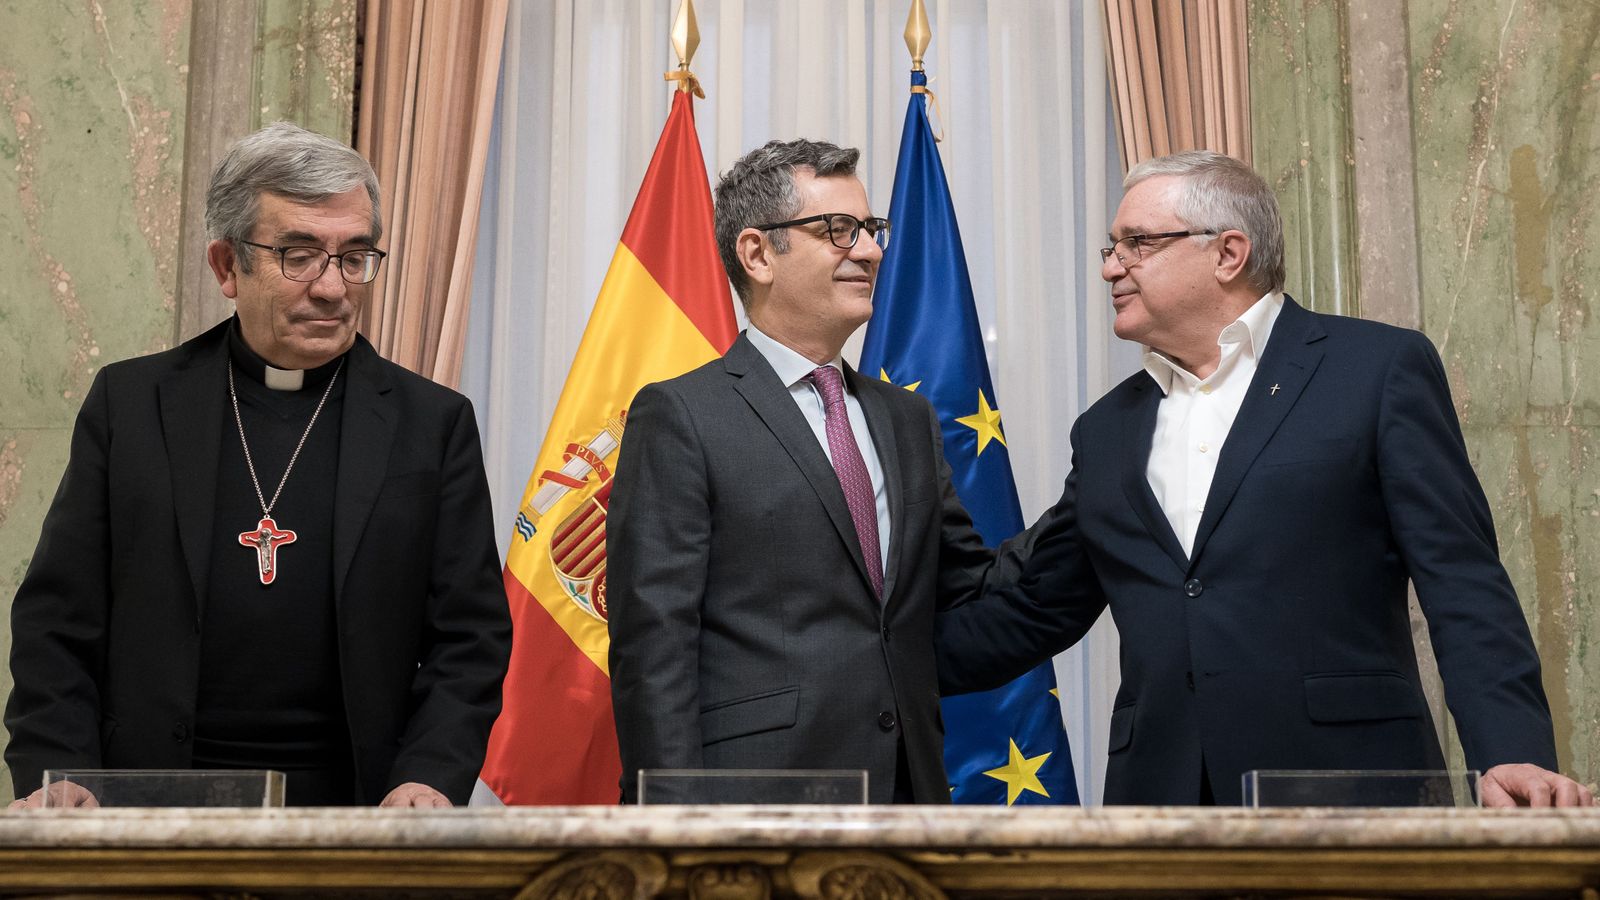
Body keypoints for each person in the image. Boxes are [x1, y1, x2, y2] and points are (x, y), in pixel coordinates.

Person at [937, 150, 1594, 808]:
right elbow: (1027, 608)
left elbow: (1463, 581)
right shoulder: (1106, 430)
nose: (1112, 266)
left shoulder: (1375, 371)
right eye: (1112, 247)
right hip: (1162, 815)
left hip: (1351, 801)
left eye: (1137, 243)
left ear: (1228, 253)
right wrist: (852, 667)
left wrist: (1513, 751)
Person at [5, 122, 511, 808]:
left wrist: (426, 775)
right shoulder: (132, 406)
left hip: (355, 814)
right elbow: (59, 619)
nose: (334, 288)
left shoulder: (431, 425)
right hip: (144, 804)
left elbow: (469, 639)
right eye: (300, 255)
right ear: (226, 266)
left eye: (354, 256)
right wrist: (58, 770)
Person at [607, 139, 992, 804]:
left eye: (871, 231)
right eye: (839, 231)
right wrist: (672, 835)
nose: (870, 251)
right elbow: (655, 652)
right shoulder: (681, 416)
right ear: (757, 254)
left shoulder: (907, 421)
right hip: (753, 812)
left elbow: (971, 599)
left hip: (909, 804)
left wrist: (1099, 514)